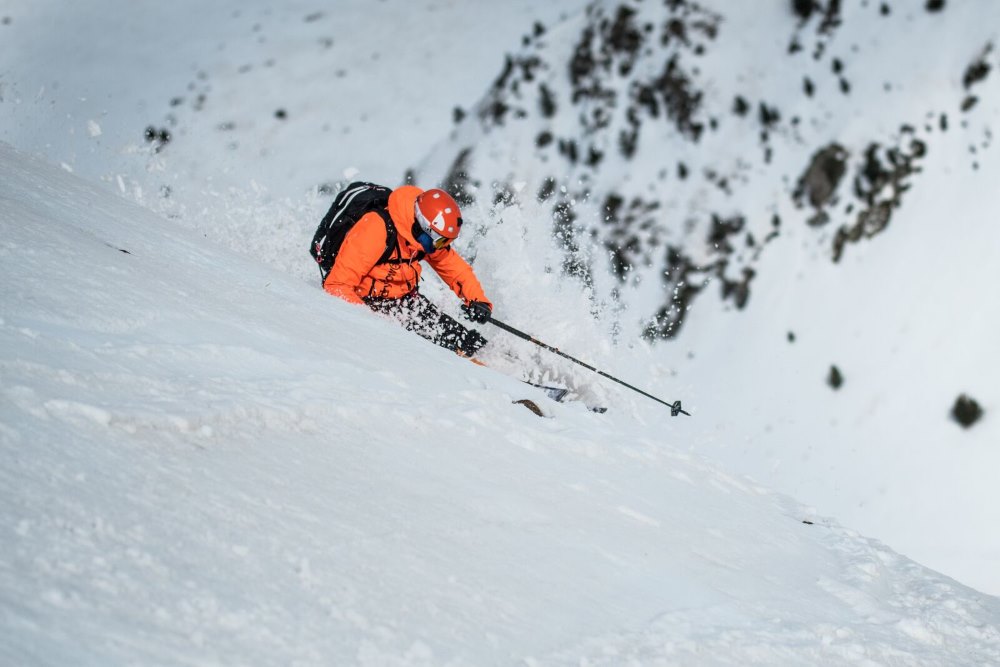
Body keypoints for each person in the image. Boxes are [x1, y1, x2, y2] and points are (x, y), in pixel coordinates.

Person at [323, 184, 493, 357]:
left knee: (461, 338)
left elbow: (455, 269)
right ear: (422, 227)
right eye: (439, 241)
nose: (438, 248)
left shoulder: (425, 240)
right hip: (367, 303)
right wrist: (372, 321)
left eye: (444, 242)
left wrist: (478, 300)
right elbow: (337, 285)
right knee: (438, 349)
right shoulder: (376, 228)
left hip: (404, 301)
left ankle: (488, 356)